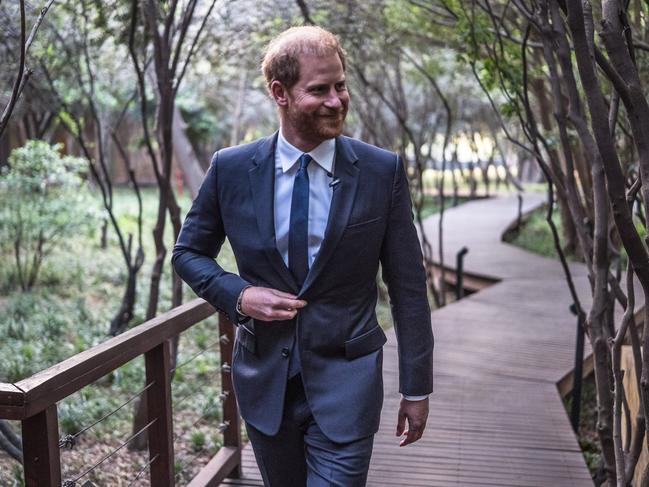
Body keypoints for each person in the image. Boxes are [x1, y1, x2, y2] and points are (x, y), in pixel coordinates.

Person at [172, 25, 434, 487]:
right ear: (280, 93)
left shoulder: (381, 171)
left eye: (340, 85)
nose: (336, 100)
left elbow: (408, 286)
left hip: (347, 384)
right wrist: (241, 295)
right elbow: (189, 252)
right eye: (319, 90)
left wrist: (416, 388)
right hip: (264, 383)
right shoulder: (231, 169)